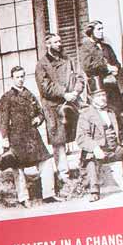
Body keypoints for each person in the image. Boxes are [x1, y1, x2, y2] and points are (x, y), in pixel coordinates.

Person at [0, 67, 54, 206]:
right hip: (16, 137)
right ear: (12, 79)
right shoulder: (7, 97)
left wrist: (38, 120)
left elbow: (40, 113)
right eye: (17, 77)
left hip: (33, 135)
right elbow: (2, 120)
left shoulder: (30, 95)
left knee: (46, 162)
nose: (20, 79)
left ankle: (49, 194)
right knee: (19, 169)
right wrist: (5, 138)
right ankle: (24, 198)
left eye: (22, 76)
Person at [36, 32, 82, 185]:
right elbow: (45, 87)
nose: (59, 44)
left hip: (72, 103)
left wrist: (76, 91)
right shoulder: (42, 64)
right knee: (59, 141)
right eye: (56, 42)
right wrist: (64, 93)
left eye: (60, 41)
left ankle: (84, 168)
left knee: (81, 133)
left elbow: (79, 77)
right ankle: (64, 176)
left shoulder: (68, 60)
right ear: (48, 45)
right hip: (54, 107)